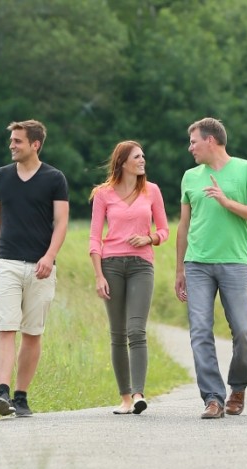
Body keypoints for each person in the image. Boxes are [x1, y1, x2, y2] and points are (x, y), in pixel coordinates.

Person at [174, 118, 247, 419]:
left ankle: (237, 388)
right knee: (200, 331)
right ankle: (213, 398)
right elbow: (184, 225)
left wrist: (228, 203)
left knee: (244, 331)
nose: (190, 148)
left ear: (210, 140)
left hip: (234, 263)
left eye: (193, 142)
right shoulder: (190, 177)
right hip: (197, 264)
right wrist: (180, 269)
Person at [0, 119, 69, 417]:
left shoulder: (55, 178)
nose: (12, 145)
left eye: (17, 141)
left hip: (40, 267)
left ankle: (20, 396)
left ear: (35, 144)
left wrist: (49, 256)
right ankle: (2, 391)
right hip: (6, 262)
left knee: (32, 333)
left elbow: (61, 222)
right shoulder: (1, 177)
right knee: (5, 327)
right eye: (12, 140)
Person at [89, 141, 169, 414]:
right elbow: (94, 237)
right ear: (123, 162)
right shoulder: (103, 194)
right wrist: (98, 275)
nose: (143, 160)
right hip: (111, 266)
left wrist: (149, 237)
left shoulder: (152, 191)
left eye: (143, 155)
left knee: (136, 330)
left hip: (141, 266)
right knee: (118, 333)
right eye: (137, 156)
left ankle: (138, 394)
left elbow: (165, 230)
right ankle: (124, 397)